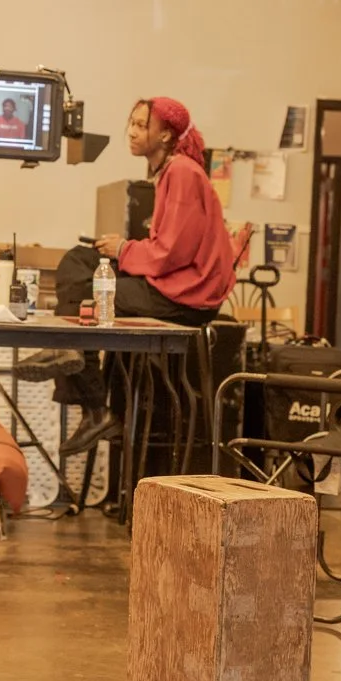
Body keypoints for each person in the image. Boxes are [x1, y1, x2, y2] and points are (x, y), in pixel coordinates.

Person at [49, 97, 238, 453]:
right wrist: (122, 249)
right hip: (170, 282)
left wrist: (123, 250)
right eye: (131, 124)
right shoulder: (169, 171)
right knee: (78, 261)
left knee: (94, 293)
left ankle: (93, 402)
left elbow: (171, 253)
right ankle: (88, 391)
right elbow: (166, 247)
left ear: (165, 135)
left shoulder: (181, 172)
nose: (132, 133)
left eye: (141, 125)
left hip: (186, 296)